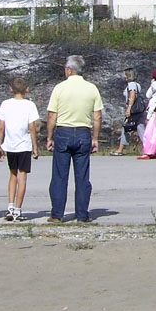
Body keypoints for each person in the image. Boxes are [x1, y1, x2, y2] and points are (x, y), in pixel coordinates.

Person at [47, 55, 104, 224]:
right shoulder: (91, 88)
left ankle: (57, 214)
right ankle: (82, 214)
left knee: (59, 176)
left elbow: (52, 115)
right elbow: (97, 116)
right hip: (83, 132)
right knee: (82, 177)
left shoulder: (59, 88)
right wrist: (95, 138)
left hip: (63, 131)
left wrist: (49, 137)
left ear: (69, 70)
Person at [0, 76, 40, 222]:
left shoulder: (5, 104)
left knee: (13, 175)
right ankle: (18, 209)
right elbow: (32, 127)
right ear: (27, 90)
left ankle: (10, 206)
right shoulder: (29, 105)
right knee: (22, 177)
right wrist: (35, 146)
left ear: (11, 89)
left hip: (10, 145)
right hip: (24, 145)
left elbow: (1, 126)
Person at [113, 68, 143, 156]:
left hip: (133, 110)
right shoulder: (137, 85)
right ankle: (147, 147)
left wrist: (129, 108)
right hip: (139, 111)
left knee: (126, 128)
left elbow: (132, 96)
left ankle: (120, 149)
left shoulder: (132, 85)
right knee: (140, 128)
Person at [139, 70, 156, 159]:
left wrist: (151, 84)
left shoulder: (154, 85)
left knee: (150, 132)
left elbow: (147, 95)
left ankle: (149, 150)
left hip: (154, 109)